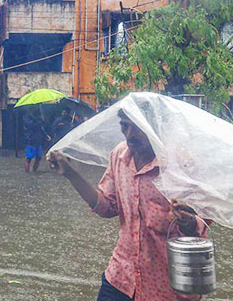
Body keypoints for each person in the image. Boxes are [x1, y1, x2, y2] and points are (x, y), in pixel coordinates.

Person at [48, 109, 207, 301]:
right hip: (120, 278)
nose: (129, 135)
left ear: (155, 127)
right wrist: (70, 174)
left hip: (168, 286)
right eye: (124, 126)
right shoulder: (119, 156)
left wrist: (188, 222)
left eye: (137, 127)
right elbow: (107, 206)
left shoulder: (181, 163)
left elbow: (204, 218)